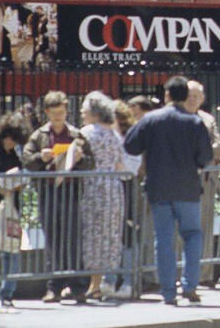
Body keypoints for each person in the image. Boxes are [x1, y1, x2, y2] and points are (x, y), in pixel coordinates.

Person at [122, 76, 214, 307]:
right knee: (192, 235)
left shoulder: (152, 119)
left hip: (159, 188)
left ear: (167, 95)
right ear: (185, 96)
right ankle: (190, 286)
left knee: (163, 239)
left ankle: (168, 292)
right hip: (188, 188)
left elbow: (130, 145)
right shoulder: (194, 122)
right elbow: (205, 157)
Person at [22, 89, 94, 303]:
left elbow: (91, 163)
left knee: (73, 237)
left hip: (71, 191)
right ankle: (54, 286)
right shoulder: (39, 135)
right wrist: (39, 156)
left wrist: (80, 158)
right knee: (53, 238)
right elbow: (27, 160)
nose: (57, 118)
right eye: (53, 114)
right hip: (49, 191)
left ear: (66, 111)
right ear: (46, 113)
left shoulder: (75, 134)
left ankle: (78, 286)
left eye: (60, 113)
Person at [77, 92, 128, 302]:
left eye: (84, 110)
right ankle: (103, 282)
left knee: (92, 234)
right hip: (113, 187)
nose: (81, 114)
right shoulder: (114, 134)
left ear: (93, 113)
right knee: (110, 234)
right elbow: (120, 164)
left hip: (93, 187)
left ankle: (94, 284)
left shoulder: (86, 133)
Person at [0, 114, 29, 309]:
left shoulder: (15, 155)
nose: (11, 142)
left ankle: (8, 291)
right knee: (4, 250)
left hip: (13, 207)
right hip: (2, 204)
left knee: (12, 250)